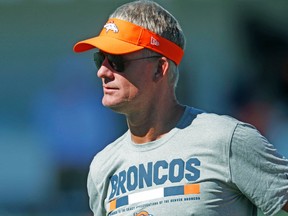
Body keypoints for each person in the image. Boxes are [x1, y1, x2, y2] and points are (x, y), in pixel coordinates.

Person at [73, 0, 288, 215]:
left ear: (160, 68)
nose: (102, 72)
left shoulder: (226, 141)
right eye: (100, 59)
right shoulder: (102, 168)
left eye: (116, 60)